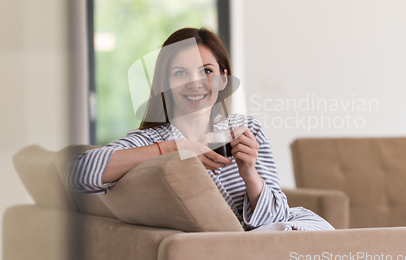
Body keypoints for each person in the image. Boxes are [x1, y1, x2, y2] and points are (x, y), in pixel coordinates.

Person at [66, 27, 334, 232]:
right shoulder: (152, 141)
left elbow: (275, 218)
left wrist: (250, 173)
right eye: (180, 73)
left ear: (222, 78)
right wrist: (174, 149)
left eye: (206, 71)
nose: (195, 83)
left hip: (274, 234)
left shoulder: (246, 128)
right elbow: (78, 172)